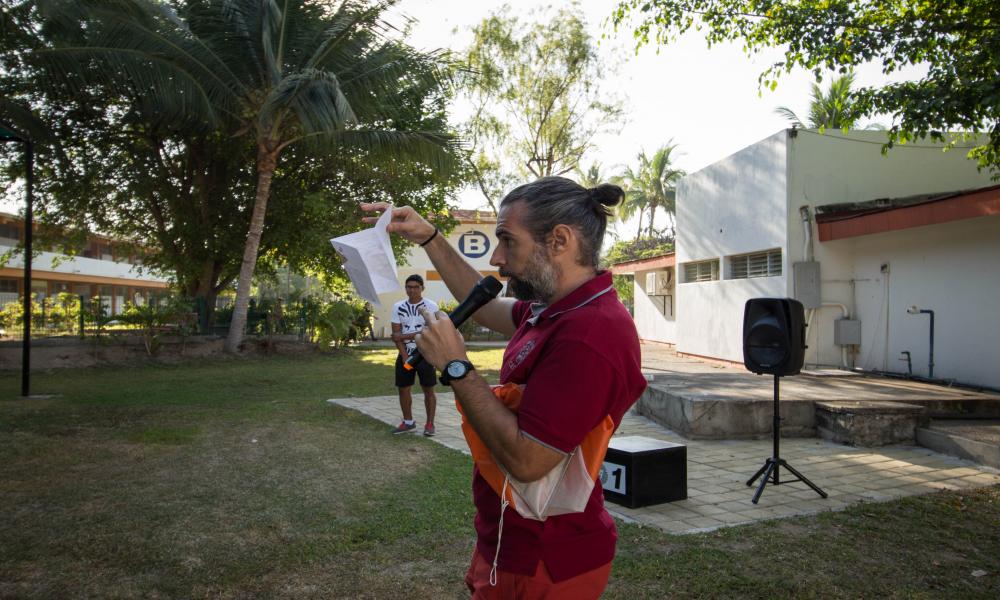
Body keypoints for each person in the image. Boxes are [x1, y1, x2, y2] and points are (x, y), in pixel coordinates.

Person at [362, 177, 647, 599]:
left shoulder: (590, 334)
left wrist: (457, 367)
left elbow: (528, 462)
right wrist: (431, 238)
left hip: (546, 557)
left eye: (507, 241)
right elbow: (488, 307)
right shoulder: (557, 307)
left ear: (559, 241)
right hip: (512, 540)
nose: (497, 259)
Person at [389, 274, 439, 436]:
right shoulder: (398, 306)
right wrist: (404, 356)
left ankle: (430, 424)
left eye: (415, 287)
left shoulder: (431, 306)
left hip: (425, 353)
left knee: (428, 389)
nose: (412, 290)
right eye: (408, 287)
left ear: (422, 288)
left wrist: (403, 336)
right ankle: (408, 422)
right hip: (406, 354)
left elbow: (431, 331)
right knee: (403, 388)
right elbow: (395, 333)